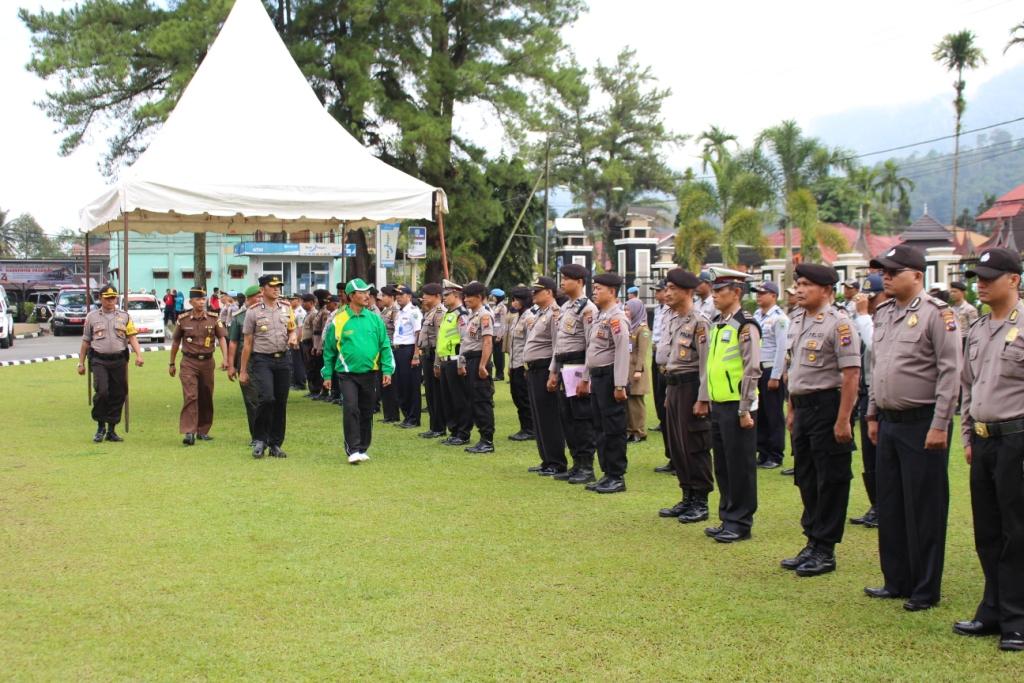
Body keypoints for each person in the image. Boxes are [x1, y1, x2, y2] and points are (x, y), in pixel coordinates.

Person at [864, 244, 961, 612]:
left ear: (917, 275)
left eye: (893, 271)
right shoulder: (885, 312)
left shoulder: (939, 315)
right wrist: (873, 414)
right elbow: (879, 368)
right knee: (890, 503)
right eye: (883, 271)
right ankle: (896, 579)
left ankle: (925, 586)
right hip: (888, 421)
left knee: (923, 506)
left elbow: (951, 371)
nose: (885, 277)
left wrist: (940, 424)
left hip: (923, 421)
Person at [956, 247, 1024, 652]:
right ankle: (993, 608)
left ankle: (1017, 619)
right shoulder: (978, 329)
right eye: (977, 277)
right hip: (983, 441)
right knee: (988, 531)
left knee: (1019, 532)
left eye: (989, 277)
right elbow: (969, 387)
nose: (979, 283)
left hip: (1017, 439)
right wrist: (967, 436)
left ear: (1013, 279)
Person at [780, 264, 861, 577]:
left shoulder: (839, 324)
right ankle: (812, 540)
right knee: (806, 475)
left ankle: (825, 548)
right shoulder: (798, 318)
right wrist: (791, 408)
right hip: (801, 407)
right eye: (798, 284)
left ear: (827, 290)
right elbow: (795, 369)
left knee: (831, 478)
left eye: (807, 285)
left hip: (828, 406)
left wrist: (843, 420)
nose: (799, 289)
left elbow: (851, 375)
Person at [703, 270, 761, 544]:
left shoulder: (745, 325)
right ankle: (727, 515)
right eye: (713, 290)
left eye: (720, 290)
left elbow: (752, 369)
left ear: (736, 292)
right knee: (724, 465)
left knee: (740, 466)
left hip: (738, 406)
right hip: (719, 403)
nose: (714, 295)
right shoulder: (718, 324)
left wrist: (745, 408)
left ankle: (740, 522)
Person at [656, 268, 713, 523]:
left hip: (692, 387)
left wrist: (703, 398)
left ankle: (700, 500)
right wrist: (669, 390)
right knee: (677, 444)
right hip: (674, 385)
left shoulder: (699, 322)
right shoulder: (671, 318)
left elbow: (705, 365)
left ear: (688, 291)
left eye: (673, 289)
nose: (667, 293)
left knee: (695, 444)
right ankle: (687, 494)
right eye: (667, 288)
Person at [321, 278, 395, 464]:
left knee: (367, 410)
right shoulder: (339, 320)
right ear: (351, 296)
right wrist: (327, 374)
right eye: (361, 292)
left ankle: (363, 447)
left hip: (371, 373)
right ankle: (352, 449)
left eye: (367, 292)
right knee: (351, 408)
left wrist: (387, 370)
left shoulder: (375, 319)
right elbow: (329, 350)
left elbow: (384, 345)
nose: (366, 296)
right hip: (347, 374)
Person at [547, 263, 598, 483]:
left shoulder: (588, 309)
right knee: (567, 417)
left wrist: (586, 377)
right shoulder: (566, 307)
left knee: (581, 418)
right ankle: (576, 463)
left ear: (579, 282)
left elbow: (591, 345)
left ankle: (587, 466)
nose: (562, 282)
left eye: (567, 279)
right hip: (564, 365)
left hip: (578, 366)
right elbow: (559, 344)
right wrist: (553, 372)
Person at [239, 274, 299, 459]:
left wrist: (293, 336)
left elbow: (292, 328)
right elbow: (247, 343)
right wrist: (242, 370)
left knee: (280, 402)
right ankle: (259, 439)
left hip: (283, 360)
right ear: (262, 289)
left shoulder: (287, 308)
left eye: (278, 286)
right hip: (261, 360)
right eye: (272, 286)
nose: (277, 289)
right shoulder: (253, 311)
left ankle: (275, 444)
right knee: (267, 398)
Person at [77, 285, 144, 442]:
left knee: (119, 393)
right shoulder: (92, 317)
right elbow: (86, 341)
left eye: (113, 298)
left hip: (119, 360)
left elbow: (132, 337)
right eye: (107, 298)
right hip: (99, 360)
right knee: (102, 392)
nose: (110, 301)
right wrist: (80, 363)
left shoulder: (124, 316)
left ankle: (111, 429)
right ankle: (100, 426)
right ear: (100, 298)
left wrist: (139, 355)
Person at [583, 272, 631, 493]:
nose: (594, 291)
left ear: (612, 292)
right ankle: (606, 473)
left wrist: (620, 384)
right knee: (599, 427)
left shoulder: (617, 318)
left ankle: (616, 476)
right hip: (598, 376)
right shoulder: (601, 316)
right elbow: (592, 350)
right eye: (594, 288)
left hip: (611, 377)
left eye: (599, 288)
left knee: (613, 427)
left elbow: (622, 352)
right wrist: (586, 376)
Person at [849, 274, 887, 528]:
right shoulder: (863, 320)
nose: (869, 303)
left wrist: (863, 316)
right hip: (866, 394)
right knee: (870, 457)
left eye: (873, 298)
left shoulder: (883, 319)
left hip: (884, 395)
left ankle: (886, 506)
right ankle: (877, 505)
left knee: (883, 456)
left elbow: (877, 347)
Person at [168, 287, 229, 445]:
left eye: (203, 299)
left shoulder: (213, 318)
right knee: (191, 395)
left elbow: (222, 338)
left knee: (206, 395)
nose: (201, 302)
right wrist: (171, 363)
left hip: (208, 362)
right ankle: (189, 431)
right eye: (198, 299)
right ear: (191, 301)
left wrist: (226, 358)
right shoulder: (183, 319)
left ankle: (203, 430)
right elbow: (175, 341)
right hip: (189, 362)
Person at [523, 276, 568, 475]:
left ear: (549, 292)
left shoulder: (555, 313)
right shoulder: (541, 313)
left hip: (545, 369)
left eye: (537, 291)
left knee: (549, 417)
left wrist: (553, 372)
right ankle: (546, 459)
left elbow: (557, 346)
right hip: (533, 369)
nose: (533, 294)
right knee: (538, 416)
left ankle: (557, 462)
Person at [752, 281, 789, 469]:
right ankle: (763, 451)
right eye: (757, 293)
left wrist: (776, 375)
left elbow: (782, 349)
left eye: (762, 293)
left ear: (773, 295)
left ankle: (775, 454)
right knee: (760, 413)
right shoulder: (757, 316)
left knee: (773, 414)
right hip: (757, 370)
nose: (758, 296)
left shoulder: (779, 318)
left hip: (770, 369)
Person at [460, 281, 496, 453]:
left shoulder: (484, 315)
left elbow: (487, 341)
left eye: (470, 296)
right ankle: (482, 438)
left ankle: (487, 441)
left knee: (482, 400)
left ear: (480, 297)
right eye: (465, 296)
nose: (466, 299)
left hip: (479, 360)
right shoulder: (472, 315)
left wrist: (483, 365)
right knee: (473, 400)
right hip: (470, 360)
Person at [437, 281, 472, 446]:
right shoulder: (447, 314)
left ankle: (463, 433)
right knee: (448, 399)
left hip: (455, 361)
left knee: (459, 399)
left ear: (456, 295)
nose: (443, 298)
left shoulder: (461, 314)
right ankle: (454, 430)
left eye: (446, 295)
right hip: (445, 361)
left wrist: (462, 362)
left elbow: (465, 340)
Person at [227, 285, 262, 444]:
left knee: (268, 399)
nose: (260, 299)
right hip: (247, 364)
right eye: (256, 297)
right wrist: (231, 365)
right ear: (248, 299)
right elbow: (233, 343)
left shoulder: (265, 314)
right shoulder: (239, 318)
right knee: (252, 401)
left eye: (261, 296)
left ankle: (268, 433)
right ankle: (257, 435)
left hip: (265, 362)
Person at [415, 283, 446, 439]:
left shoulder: (440, 312)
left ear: (437, 296)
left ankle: (439, 427)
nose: (424, 297)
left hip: (434, 354)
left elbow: (441, 339)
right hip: (426, 354)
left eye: (427, 294)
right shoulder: (430, 312)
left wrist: (437, 363)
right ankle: (434, 426)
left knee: (436, 393)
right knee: (430, 392)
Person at [505, 287, 535, 441]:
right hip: (514, 364)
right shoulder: (517, 317)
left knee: (524, 398)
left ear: (523, 301)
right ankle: (525, 427)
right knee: (516, 396)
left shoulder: (529, 318)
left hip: (522, 365)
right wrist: (510, 365)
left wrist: (526, 366)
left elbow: (529, 344)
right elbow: (513, 344)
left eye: (516, 299)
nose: (513, 303)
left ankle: (529, 429)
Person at [391, 284, 423, 428]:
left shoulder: (413, 312)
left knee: (411, 385)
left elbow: (418, 334)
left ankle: (413, 418)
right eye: (396, 295)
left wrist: (416, 354)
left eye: (401, 294)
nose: (398, 297)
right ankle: (406, 416)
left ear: (409, 297)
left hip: (409, 350)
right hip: (398, 350)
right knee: (401, 385)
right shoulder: (399, 312)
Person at [651, 280, 674, 474]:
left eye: (667, 290)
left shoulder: (686, 315)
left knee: (675, 415)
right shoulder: (662, 311)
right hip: (660, 363)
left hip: (676, 368)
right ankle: (671, 455)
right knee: (662, 410)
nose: (665, 294)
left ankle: (679, 457)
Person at [624, 298, 650, 443]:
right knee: (628, 401)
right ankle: (629, 430)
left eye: (629, 310)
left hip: (636, 370)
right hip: (627, 369)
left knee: (636, 402)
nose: (626, 312)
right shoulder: (630, 327)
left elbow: (642, 352)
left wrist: (638, 370)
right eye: (625, 309)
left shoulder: (642, 329)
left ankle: (639, 431)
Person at [378, 286, 401, 423]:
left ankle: (393, 414)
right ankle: (388, 414)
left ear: (391, 297)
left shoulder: (395, 311)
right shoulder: (385, 311)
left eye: (384, 296)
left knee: (391, 382)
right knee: (384, 383)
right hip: (383, 349)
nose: (381, 298)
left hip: (391, 349)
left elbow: (397, 330)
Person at [299, 293, 321, 397]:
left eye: (304, 302)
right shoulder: (308, 313)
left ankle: (316, 389)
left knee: (313, 367)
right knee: (308, 366)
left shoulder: (313, 314)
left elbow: (314, 331)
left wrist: (314, 345)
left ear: (311, 303)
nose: (302, 304)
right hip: (305, 343)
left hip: (310, 343)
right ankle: (312, 389)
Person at [289, 293, 307, 391]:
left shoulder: (300, 312)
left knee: (298, 362)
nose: (290, 301)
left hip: (298, 340)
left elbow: (300, 328)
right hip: (293, 339)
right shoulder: (293, 311)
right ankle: (295, 382)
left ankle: (300, 383)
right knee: (294, 362)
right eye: (290, 299)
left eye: (292, 299)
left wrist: (297, 341)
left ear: (298, 300)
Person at [490, 288, 508, 381]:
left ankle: (500, 374)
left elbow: (503, 323)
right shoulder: (494, 307)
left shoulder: (502, 308)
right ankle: (497, 374)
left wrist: (499, 336)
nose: (492, 297)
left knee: (499, 356)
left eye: (493, 296)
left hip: (498, 335)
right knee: (495, 356)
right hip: (493, 333)